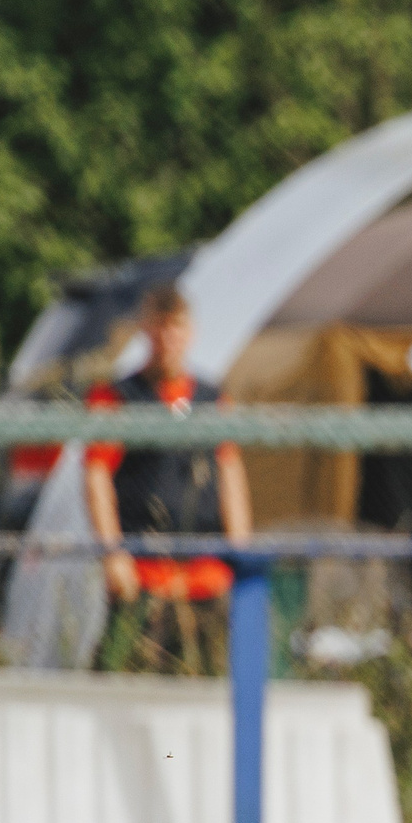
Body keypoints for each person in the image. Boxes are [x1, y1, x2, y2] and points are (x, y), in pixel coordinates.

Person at [83, 284, 253, 666]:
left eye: (175, 328)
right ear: (146, 331)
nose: (168, 339)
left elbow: (229, 472)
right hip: (143, 574)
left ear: (190, 332)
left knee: (211, 687)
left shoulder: (211, 400)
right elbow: (96, 476)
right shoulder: (119, 397)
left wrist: (240, 552)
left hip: (207, 574)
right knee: (126, 680)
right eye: (159, 328)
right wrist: (112, 555)